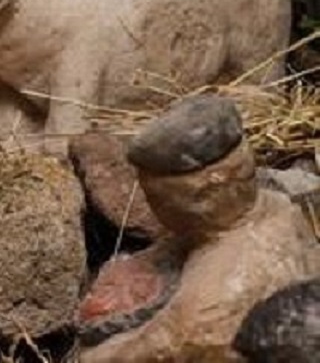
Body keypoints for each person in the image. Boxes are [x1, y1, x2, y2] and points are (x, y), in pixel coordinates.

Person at [78, 95, 320, 362]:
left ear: (204, 193)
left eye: (155, 198)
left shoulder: (215, 295)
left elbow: (168, 343)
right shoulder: (275, 207)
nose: (150, 206)